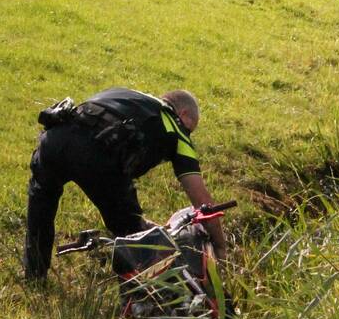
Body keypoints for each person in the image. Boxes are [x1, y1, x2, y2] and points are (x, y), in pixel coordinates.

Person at [24, 87, 228, 282]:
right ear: (183, 114)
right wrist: (220, 247)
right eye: (190, 129)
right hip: (98, 157)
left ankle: (34, 277)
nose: (188, 134)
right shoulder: (177, 128)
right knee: (132, 234)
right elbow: (203, 204)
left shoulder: (128, 95)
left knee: (41, 207)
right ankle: (147, 297)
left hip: (55, 136)